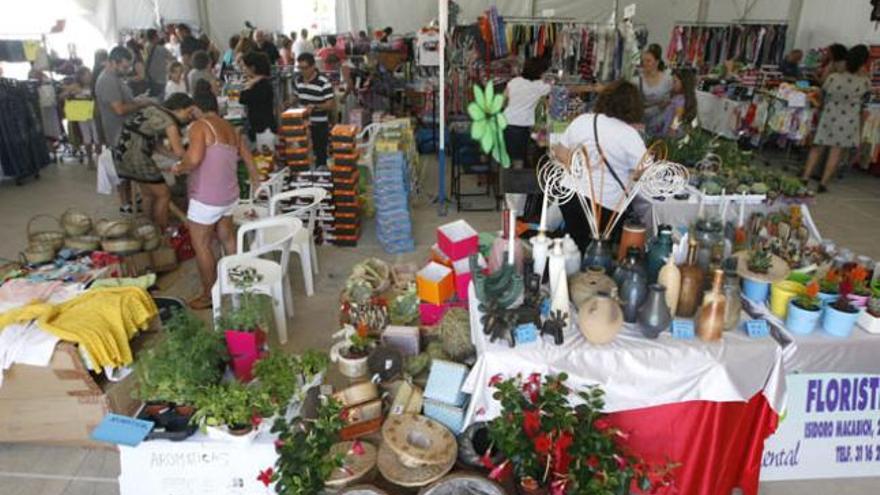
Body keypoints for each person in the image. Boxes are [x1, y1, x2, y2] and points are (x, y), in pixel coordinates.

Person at [172, 80, 260, 309]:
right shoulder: (230, 128)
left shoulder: (200, 126)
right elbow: (248, 158)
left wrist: (179, 167)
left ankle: (209, 295)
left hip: (206, 198)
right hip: (229, 195)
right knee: (227, 238)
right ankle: (237, 284)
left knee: (202, 245)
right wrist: (256, 180)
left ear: (195, 109)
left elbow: (193, 159)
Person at [551, 81, 646, 252]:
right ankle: (591, 275)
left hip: (570, 195)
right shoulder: (630, 135)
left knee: (575, 242)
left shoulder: (582, 121)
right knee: (597, 250)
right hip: (605, 204)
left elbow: (560, 152)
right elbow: (646, 170)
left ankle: (566, 272)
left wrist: (582, 167)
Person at [113, 93, 198, 228]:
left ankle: (148, 229)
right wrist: (194, 159)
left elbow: (156, 145)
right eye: (188, 112)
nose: (189, 116)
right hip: (137, 157)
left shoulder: (153, 110)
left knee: (148, 194)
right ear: (178, 109)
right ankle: (161, 231)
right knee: (164, 194)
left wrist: (175, 158)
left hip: (122, 153)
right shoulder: (169, 122)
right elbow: (179, 151)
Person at [802, 45, 871, 193]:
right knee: (836, 152)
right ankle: (823, 183)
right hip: (849, 120)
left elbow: (822, 95)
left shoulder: (833, 78)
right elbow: (864, 107)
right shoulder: (865, 83)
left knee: (817, 148)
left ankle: (805, 177)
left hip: (829, 115)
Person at [96, 46, 149, 213]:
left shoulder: (115, 77)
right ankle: (126, 203)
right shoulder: (107, 80)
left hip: (125, 130)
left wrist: (136, 100)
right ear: (113, 62)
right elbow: (119, 109)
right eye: (124, 67)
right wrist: (140, 104)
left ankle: (132, 199)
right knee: (122, 170)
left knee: (127, 170)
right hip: (118, 132)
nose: (127, 71)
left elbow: (124, 101)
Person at [502, 57, 550, 167]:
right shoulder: (541, 86)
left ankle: (505, 181)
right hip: (521, 126)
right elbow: (562, 89)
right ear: (540, 71)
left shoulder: (514, 82)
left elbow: (502, 101)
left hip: (506, 123)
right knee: (519, 159)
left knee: (509, 157)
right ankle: (516, 182)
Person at [292, 52, 335, 168]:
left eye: (305, 68)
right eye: (300, 68)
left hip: (319, 124)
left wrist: (315, 107)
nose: (302, 71)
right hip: (302, 124)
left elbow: (330, 104)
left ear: (313, 66)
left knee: (320, 154)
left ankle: (320, 177)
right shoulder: (298, 80)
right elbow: (296, 97)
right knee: (303, 153)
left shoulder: (323, 82)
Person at [61, 67, 100, 164]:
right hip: (81, 113)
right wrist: (70, 93)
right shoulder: (75, 86)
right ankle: (90, 160)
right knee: (87, 136)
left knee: (97, 136)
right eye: (87, 74)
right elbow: (62, 96)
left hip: (93, 112)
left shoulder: (93, 85)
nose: (90, 76)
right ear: (81, 76)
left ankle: (99, 159)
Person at [634, 43, 672, 138]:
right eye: (643, 61)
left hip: (662, 123)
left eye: (648, 61)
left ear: (657, 62)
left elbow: (673, 101)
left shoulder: (667, 79)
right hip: (643, 120)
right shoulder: (637, 79)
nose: (645, 64)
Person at [239, 51, 277, 143]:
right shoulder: (260, 82)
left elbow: (243, 99)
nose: (243, 69)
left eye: (244, 66)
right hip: (260, 127)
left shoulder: (261, 85)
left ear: (252, 68)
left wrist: (247, 86)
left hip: (263, 129)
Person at [659, 69, 697, 138]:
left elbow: (677, 117)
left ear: (684, 83)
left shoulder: (681, 100)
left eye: (675, 82)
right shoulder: (679, 97)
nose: (672, 84)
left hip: (671, 133)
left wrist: (671, 131)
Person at [144, 29, 175, 99]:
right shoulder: (161, 49)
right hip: (160, 78)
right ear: (155, 37)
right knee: (161, 99)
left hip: (150, 78)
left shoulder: (146, 46)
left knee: (153, 99)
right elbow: (172, 58)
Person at [91, 49, 109, 146]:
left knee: (99, 126)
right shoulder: (104, 69)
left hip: (97, 102)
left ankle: (102, 147)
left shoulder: (95, 69)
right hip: (105, 102)